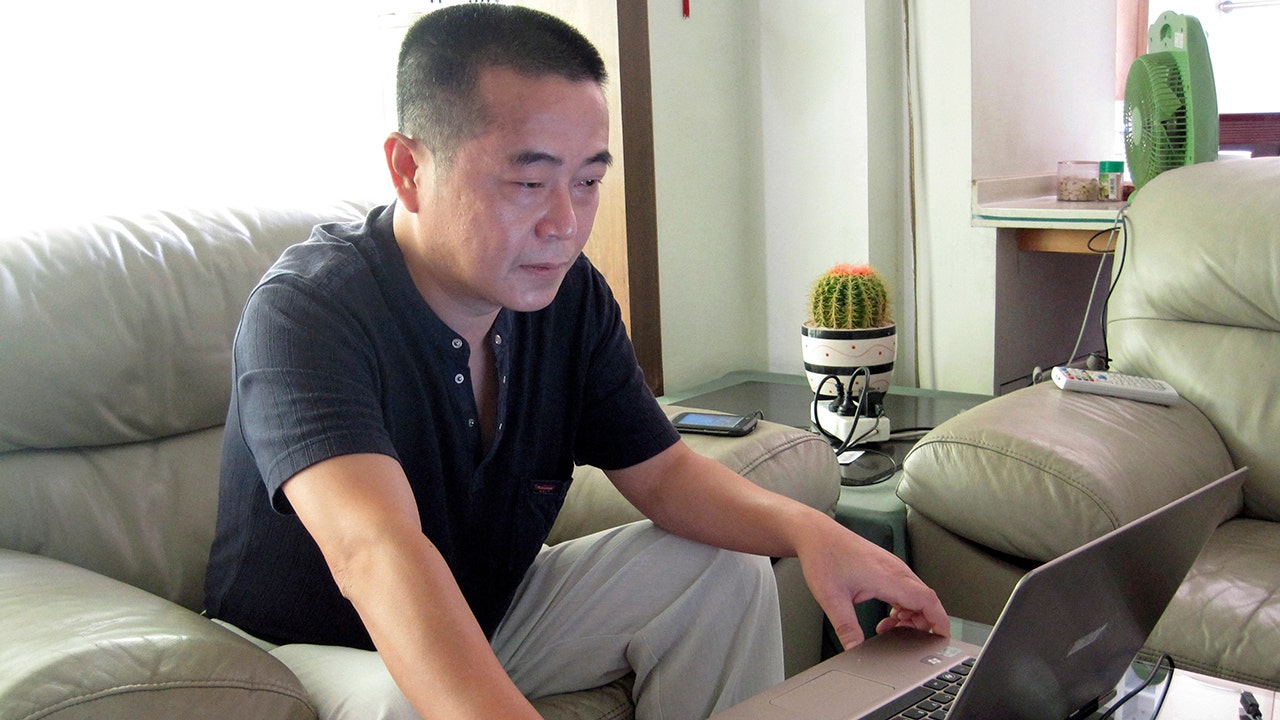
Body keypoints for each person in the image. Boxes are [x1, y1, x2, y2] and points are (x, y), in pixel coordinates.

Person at [203, 5, 948, 719]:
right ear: (408, 169)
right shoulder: (309, 312)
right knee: (404, 703)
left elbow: (664, 475)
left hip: (488, 612)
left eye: (587, 182)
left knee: (723, 568)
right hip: (302, 653)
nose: (565, 224)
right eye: (529, 183)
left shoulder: (567, 297)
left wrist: (815, 534)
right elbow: (375, 551)